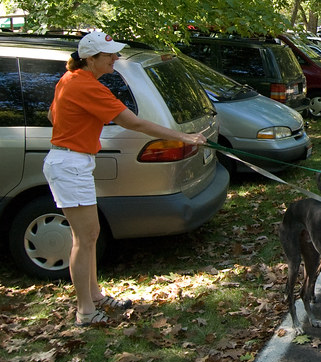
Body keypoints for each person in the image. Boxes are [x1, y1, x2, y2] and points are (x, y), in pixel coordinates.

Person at [43, 31, 207, 326]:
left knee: (89, 236)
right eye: (109, 55)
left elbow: (52, 116)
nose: (115, 58)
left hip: (72, 162)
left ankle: (95, 296)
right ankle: (85, 311)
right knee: (84, 238)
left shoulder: (71, 80)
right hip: (70, 164)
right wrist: (185, 137)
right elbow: (134, 122)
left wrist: (79, 125)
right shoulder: (85, 86)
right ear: (90, 59)